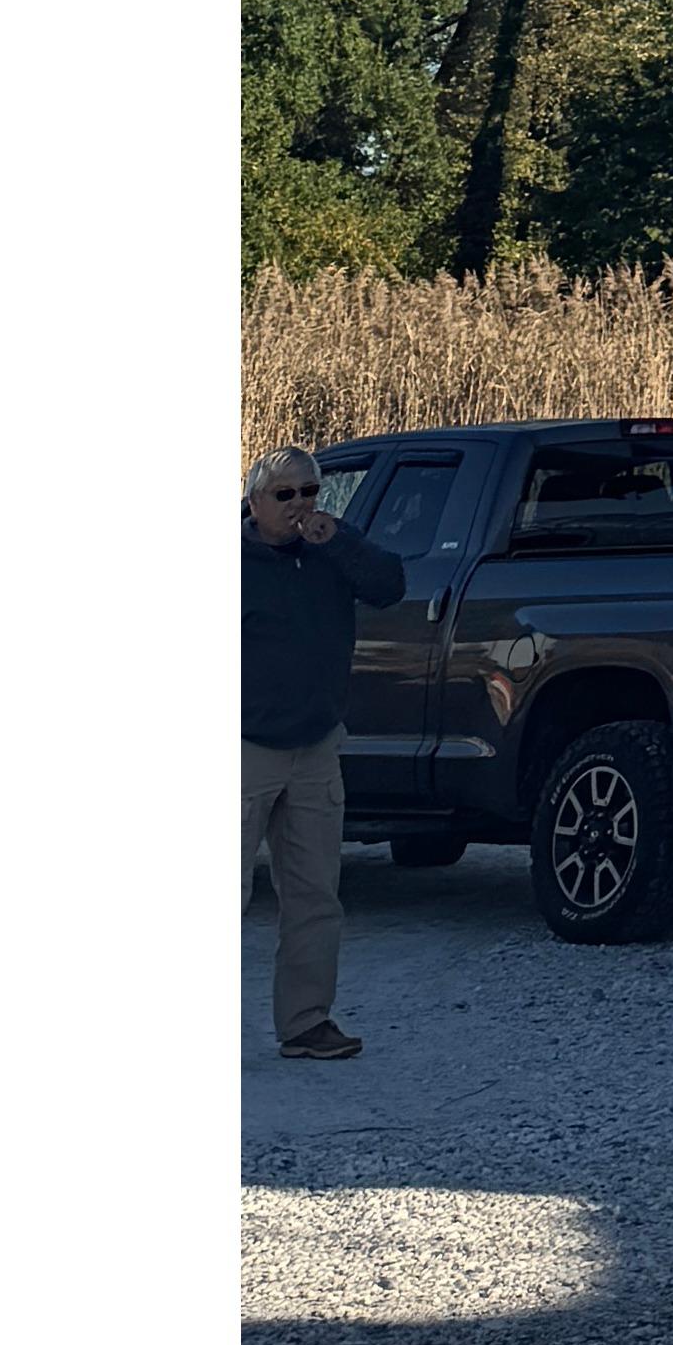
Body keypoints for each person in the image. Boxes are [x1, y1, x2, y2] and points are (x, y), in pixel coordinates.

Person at [245, 451, 383, 1061]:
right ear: (253, 503)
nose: (300, 504)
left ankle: (305, 1024)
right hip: (242, 748)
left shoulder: (332, 554)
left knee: (314, 897)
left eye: (310, 490)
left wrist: (342, 543)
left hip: (316, 747)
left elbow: (390, 585)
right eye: (284, 495)